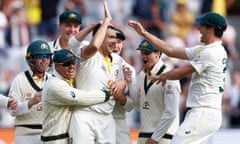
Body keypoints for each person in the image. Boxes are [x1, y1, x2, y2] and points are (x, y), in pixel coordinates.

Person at [128, 12, 228, 143]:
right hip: (206, 112)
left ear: (210, 29)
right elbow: (170, 50)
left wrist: (159, 77)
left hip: (203, 112)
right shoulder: (208, 50)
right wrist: (144, 33)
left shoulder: (210, 52)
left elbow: (178, 73)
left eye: (201, 26)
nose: (198, 29)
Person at [68, 1, 127, 143]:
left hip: (107, 117)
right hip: (85, 114)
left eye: (115, 38)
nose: (114, 41)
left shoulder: (118, 60)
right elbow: (93, 45)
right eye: (110, 37)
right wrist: (106, 22)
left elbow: (124, 80)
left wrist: (123, 82)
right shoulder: (88, 54)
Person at [116, 39, 181, 144]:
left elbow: (171, 113)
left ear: (158, 54)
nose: (143, 56)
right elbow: (139, 106)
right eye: (142, 53)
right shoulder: (142, 76)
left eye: (147, 53)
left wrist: (155, 138)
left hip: (164, 138)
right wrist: (130, 84)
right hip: (143, 136)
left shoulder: (170, 76)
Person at [41, 49, 111, 144]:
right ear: (57, 66)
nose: (72, 67)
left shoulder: (64, 81)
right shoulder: (55, 86)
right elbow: (82, 98)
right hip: (55, 140)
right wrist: (107, 95)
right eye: (67, 64)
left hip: (64, 138)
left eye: (73, 63)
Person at [8, 40, 52, 144]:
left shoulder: (53, 80)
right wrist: (31, 102)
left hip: (48, 135)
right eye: (40, 57)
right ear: (31, 60)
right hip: (25, 137)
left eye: (47, 56)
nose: (44, 60)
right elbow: (12, 111)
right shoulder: (19, 80)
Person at [112, 27, 135, 144]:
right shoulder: (95, 63)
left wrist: (119, 94)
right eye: (113, 41)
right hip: (97, 119)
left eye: (119, 42)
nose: (116, 45)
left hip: (119, 120)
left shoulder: (129, 70)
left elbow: (131, 106)